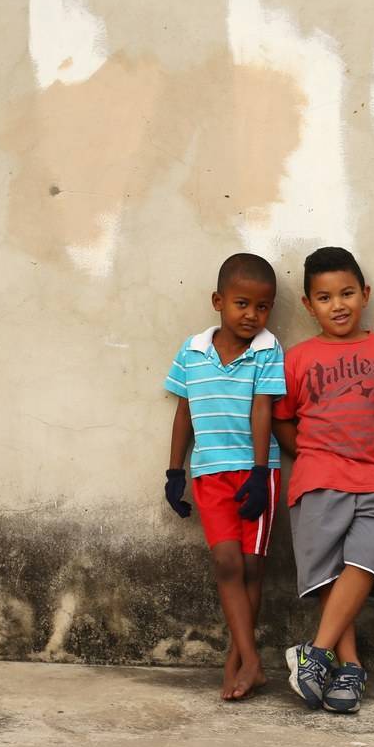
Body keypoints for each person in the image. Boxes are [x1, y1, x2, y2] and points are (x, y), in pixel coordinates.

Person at [273, 247, 374, 714]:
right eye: (325, 297)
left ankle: (314, 654)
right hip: (317, 481)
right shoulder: (298, 359)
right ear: (308, 305)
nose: (339, 305)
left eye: (348, 293)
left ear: (365, 295)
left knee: (364, 563)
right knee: (329, 578)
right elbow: (283, 419)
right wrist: (315, 453)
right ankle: (349, 668)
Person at [162, 252, 285, 701]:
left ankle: (239, 660)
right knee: (227, 563)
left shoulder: (268, 350)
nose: (252, 315)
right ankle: (251, 660)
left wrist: (257, 470)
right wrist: (175, 471)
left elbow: (263, 409)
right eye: (241, 304)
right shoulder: (192, 351)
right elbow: (183, 413)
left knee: (253, 567)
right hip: (210, 473)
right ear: (218, 301)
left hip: (256, 472)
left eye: (262, 306)